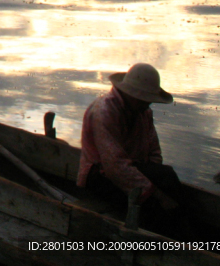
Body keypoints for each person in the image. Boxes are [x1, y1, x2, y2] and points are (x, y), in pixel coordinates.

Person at [78, 62, 187, 235]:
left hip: (132, 171)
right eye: (145, 99)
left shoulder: (143, 112)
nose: (148, 104)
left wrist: (154, 182)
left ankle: (182, 229)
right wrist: (156, 194)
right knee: (155, 204)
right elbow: (115, 167)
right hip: (100, 177)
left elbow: (154, 152)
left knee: (166, 177)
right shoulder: (104, 112)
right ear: (132, 95)